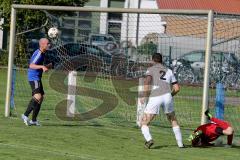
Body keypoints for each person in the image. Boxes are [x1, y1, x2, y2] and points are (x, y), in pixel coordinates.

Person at [140, 53, 184, 149]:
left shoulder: (150, 69)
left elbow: (147, 82)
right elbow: (176, 88)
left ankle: (149, 140)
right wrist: (170, 96)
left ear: (153, 61)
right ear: (161, 61)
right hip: (167, 96)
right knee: (173, 120)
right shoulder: (169, 71)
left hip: (156, 96)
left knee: (144, 123)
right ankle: (180, 144)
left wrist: (144, 96)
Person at [21, 38, 51, 126]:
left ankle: (33, 120)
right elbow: (31, 65)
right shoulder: (39, 53)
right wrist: (42, 66)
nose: (49, 45)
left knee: (41, 98)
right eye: (47, 43)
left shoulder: (43, 53)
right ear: (42, 44)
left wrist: (46, 66)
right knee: (38, 96)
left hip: (37, 77)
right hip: (33, 77)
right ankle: (25, 115)